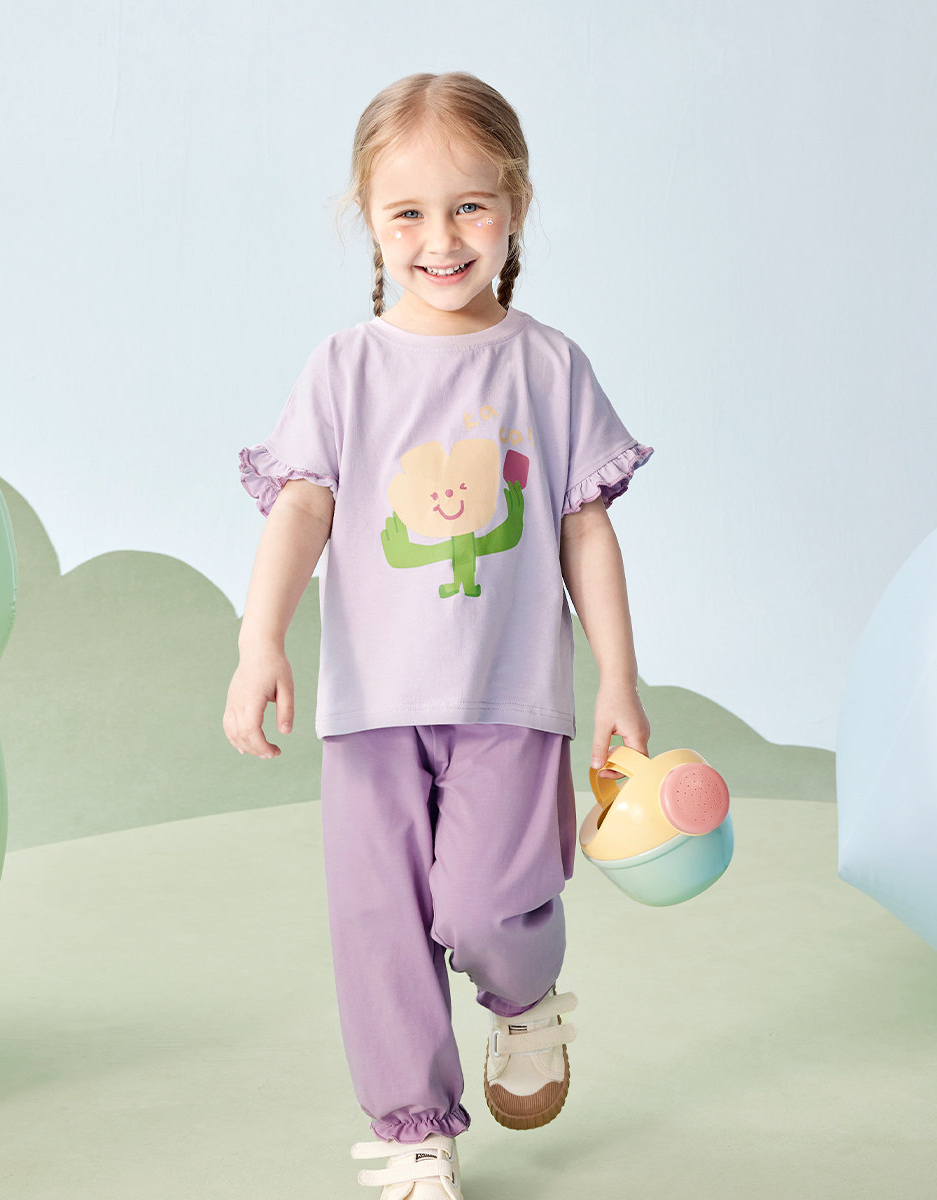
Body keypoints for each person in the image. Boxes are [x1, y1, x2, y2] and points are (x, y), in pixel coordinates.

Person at [223, 71, 652, 1200]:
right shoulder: (344, 368)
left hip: (509, 700)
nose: (442, 238)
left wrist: (618, 676)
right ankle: (415, 1134)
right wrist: (261, 641)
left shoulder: (547, 365)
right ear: (367, 218)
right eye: (408, 212)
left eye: (470, 206)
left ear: (515, 204)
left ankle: (526, 1000)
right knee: (379, 924)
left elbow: (585, 527)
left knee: (484, 910)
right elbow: (301, 508)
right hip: (371, 708)